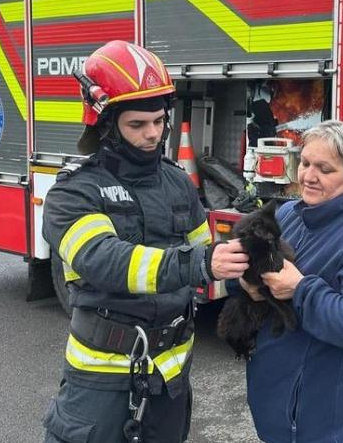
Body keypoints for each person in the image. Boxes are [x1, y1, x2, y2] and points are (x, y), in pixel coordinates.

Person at [41, 41, 248, 443]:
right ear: (105, 122)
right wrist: (200, 263)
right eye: (137, 124)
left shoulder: (176, 182)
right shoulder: (75, 192)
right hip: (101, 380)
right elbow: (103, 260)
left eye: (159, 120)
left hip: (170, 379)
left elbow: (206, 256)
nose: (153, 133)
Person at [237, 120, 343, 443]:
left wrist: (301, 289)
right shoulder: (289, 215)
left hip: (325, 422)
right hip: (279, 411)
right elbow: (259, 281)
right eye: (305, 163)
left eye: (324, 169)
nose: (308, 177)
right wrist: (245, 285)